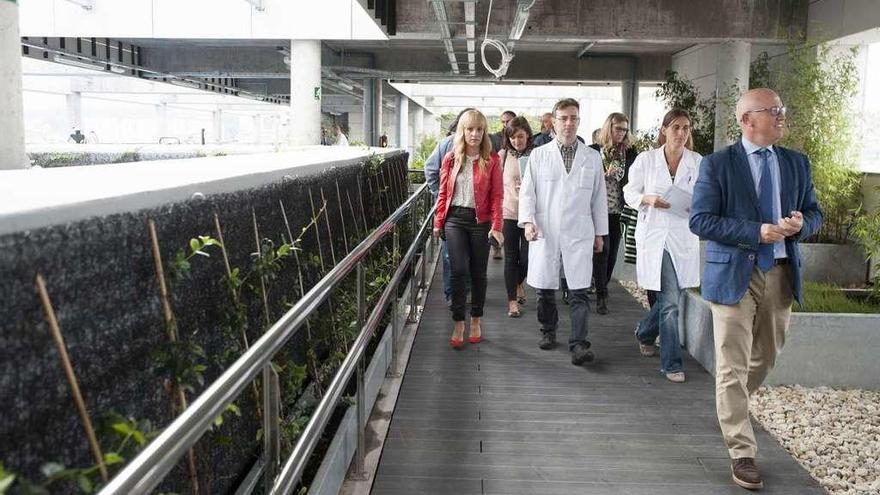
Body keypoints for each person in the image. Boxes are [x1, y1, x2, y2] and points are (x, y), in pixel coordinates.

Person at [690, 89, 822, 490]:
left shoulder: (796, 162)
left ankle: (729, 404)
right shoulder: (718, 164)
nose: (782, 115)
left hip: (780, 272)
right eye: (773, 110)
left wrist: (803, 224)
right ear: (747, 120)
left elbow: (816, 212)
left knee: (764, 357)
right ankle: (741, 451)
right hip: (733, 274)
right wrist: (755, 232)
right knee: (732, 362)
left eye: (782, 109)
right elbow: (701, 221)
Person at [519, 98, 608, 365]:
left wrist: (599, 234)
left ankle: (579, 344)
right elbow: (528, 193)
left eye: (574, 118)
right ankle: (548, 329)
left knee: (580, 289)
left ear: (579, 121)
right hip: (546, 230)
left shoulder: (592, 158)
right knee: (546, 287)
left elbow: (598, 198)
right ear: (554, 122)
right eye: (563, 118)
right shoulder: (538, 155)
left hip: (579, 231)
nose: (568, 123)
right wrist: (528, 222)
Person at [623, 109, 702, 383]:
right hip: (656, 235)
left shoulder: (697, 162)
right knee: (670, 303)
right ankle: (671, 363)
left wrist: (697, 206)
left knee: (674, 297)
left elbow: (705, 197)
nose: (681, 133)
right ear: (664, 129)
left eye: (686, 128)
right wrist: (649, 199)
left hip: (683, 235)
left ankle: (645, 331)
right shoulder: (646, 160)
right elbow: (628, 192)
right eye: (676, 127)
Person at [433, 109, 504, 348]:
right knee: (458, 269)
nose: (474, 134)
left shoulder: (492, 160)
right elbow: (443, 193)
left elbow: (497, 196)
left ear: (484, 132)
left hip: (479, 221)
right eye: (470, 129)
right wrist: (438, 222)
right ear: (462, 131)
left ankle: (475, 319)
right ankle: (458, 323)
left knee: (478, 273)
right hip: (455, 219)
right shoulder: (451, 158)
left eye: (479, 129)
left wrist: (497, 225)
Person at [425, 108, 476, 306]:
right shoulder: (448, 145)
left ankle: (455, 293)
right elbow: (431, 169)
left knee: (454, 254)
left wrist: (438, 194)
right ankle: (457, 292)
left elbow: (430, 170)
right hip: (455, 211)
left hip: (466, 210)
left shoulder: (479, 147)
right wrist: (440, 195)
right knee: (454, 254)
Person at [590, 113, 638, 315]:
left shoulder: (630, 153)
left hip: (619, 209)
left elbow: (634, 179)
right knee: (602, 250)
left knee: (611, 254)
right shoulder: (593, 152)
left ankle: (602, 284)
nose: (621, 133)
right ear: (608, 128)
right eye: (618, 128)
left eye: (625, 129)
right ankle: (601, 294)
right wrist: (602, 175)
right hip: (596, 209)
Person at [500, 116, 534, 318]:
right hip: (509, 212)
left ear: (528, 135)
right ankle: (512, 301)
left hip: (530, 214)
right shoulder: (502, 155)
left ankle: (519, 281)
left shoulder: (538, 155)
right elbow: (496, 186)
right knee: (511, 258)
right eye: (512, 137)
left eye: (520, 137)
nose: (516, 141)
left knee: (528, 257)